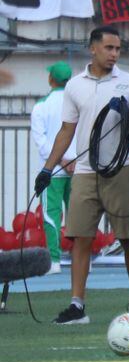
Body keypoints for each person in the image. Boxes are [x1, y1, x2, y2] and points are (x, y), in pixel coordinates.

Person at [37, 27, 129, 326]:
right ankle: (76, 306)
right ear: (93, 49)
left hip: (123, 169)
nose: (114, 54)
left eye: (118, 49)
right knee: (80, 238)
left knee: (128, 237)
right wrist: (48, 168)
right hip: (85, 171)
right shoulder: (74, 86)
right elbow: (66, 130)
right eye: (109, 48)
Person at [29, 61, 73, 273]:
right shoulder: (77, 103)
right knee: (79, 215)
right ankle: (82, 259)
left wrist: (60, 159)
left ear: (51, 79)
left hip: (52, 171)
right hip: (78, 169)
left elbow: (42, 142)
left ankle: (54, 261)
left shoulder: (41, 106)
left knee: (51, 214)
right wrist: (71, 159)